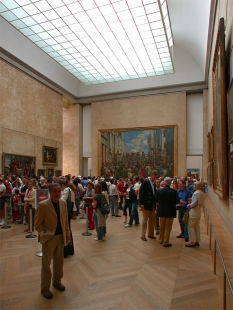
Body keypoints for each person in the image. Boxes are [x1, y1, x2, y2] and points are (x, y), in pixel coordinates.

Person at [34, 183, 70, 299]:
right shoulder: (43, 205)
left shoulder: (63, 203)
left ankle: (57, 281)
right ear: (50, 192)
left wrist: (67, 234)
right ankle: (45, 288)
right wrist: (44, 234)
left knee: (59, 261)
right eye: (54, 191)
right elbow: (37, 224)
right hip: (49, 238)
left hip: (60, 236)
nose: (57, 194)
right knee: (46, 264)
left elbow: (65, 221)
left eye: (59, 191)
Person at [156, 177, 180, 247]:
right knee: (168, 227)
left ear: (164, 183)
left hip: (161, 211)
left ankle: (161, 240)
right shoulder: (174, 191)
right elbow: (177, 201)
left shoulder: (159, 191)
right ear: (170, 183)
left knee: (162, 226)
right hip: (170, 211)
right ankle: (166, 241)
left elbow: (157, 201)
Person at [185, 181, 206, 247]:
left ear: (197, 186)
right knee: (197, 227)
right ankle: (197, 240)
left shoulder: (196, 193)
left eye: (195, 185)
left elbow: (194, 203)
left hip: (194, 211)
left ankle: (192, 242)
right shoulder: (202, 193)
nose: (194, 186)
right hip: (199, 211)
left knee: (190, 226)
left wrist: (189, 205)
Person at [139, 172, 157, 241]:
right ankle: (143, 235)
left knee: (152, 220)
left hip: (152, 204)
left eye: (156, 177)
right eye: (154, 176)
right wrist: (141, 203)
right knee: (145, 220)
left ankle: (151, 234)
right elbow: (141, 193)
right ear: (151, 175)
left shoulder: (154, 184)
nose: (155, 178)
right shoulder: (145, 182)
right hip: (146, 204)